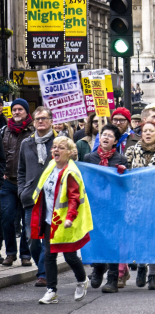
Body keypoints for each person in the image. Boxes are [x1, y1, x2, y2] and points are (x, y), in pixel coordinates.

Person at [31, 136, 92, 304]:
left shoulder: (71, 173)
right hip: (49, 220)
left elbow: (74, 198)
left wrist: (70, 218)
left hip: (65, 222)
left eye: (61, 147)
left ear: (70, 152)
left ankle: (82, 280)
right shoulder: (51, 166)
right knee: (49, 255)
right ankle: (52, 291)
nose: (56, 150)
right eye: (54, 147)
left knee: (70, 255)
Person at [83, 124, 129, 293]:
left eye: (110, 136)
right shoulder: (89, 158)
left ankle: (113, 277)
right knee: (96, 239)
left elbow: (125, 185)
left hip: (114, 207)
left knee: (113, 241)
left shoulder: (121, 159)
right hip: (95, 206)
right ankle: (97, 269)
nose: (106, 137)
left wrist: (122, 174)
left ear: (115, 141)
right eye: (104, 134)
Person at [17, 106, 56, 287]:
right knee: (31, 239)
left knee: (48, 239)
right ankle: (43, 268)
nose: (40, 121)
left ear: (51, 121)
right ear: (33, 122)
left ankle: (43, 273)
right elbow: (21, 171)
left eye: (44, 118)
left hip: (52, 198)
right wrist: (22, 190)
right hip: (31, 198)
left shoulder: (58, 142)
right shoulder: (26, 143)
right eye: (37, 119)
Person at [125, 120, 155, 290]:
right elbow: (122, 170)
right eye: (145, 131)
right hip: (137, 201)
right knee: (139, 236)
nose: (147, 133)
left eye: (151, 131)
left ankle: (153, 274)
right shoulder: (131, 151)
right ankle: (141, 266)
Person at [1, 98, 34, 267]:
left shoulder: (33, 132)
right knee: (6, 217)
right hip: (7, 182)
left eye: (20, 109)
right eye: (14, 109)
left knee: (26, 220)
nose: (16, 112)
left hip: (27, 183)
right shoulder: (3, 131)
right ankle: (10, 253)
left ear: (26, 112)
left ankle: (25, 255)